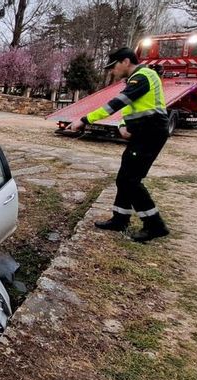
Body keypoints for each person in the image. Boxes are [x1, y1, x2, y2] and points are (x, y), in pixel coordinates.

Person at [69, 47, 170, 242]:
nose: (112, 71)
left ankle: (155, 225)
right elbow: (130, 107)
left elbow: (115, 104)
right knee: (124, 177)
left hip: (150, 134)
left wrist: (84, 119)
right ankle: (120, 218)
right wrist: (123, 124)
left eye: (113, 67)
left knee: (131, 180)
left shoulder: (143, 76)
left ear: (125, 61)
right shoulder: (136, 79)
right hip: (142, 134)